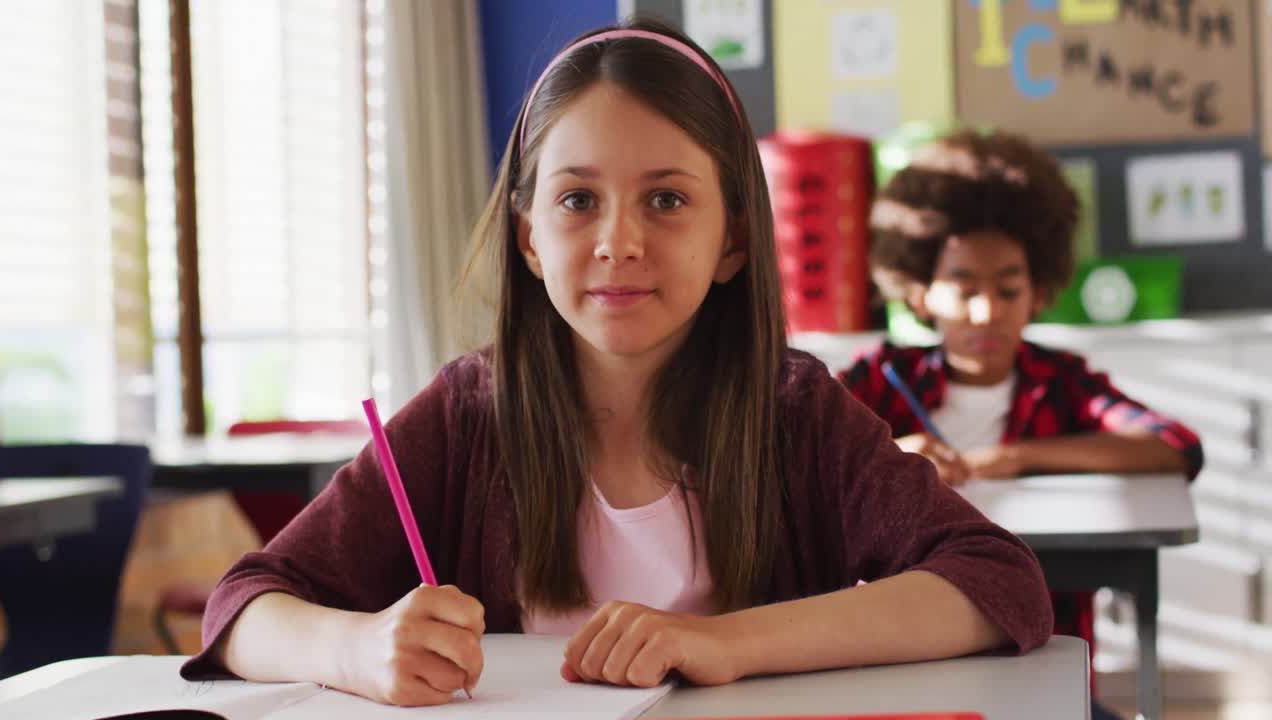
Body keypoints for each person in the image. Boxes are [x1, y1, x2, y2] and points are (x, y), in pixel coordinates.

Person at [181, 20, 1053, 708]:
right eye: (577, 201)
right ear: (529, 238)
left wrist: (723, 642)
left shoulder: (793, 411)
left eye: (666, 200)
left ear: (733, 240)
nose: (618, 243)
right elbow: (244, 608)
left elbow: (995, 582)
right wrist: (359, 650)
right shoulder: (467, 414)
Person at [840, 129, 1204, 720]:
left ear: (1038, 292)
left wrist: (1020, 457)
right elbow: (787, 451)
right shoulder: (879, 380)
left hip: (1045, 676)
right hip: (904, 677)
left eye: (1008, 289)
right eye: (963, 287)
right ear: (922, 291)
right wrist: (898, 454)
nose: (987, 312)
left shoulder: (1060, 381)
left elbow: (1174, 446)